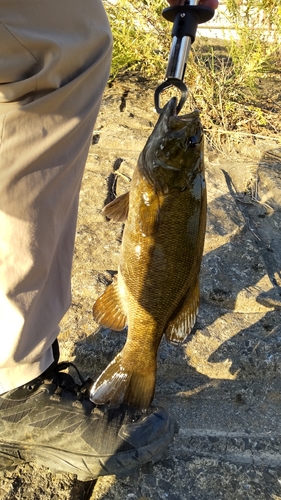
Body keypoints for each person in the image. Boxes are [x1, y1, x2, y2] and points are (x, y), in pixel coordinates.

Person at [0, 0, 218, 481]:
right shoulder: (164, 185)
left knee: (66, 40)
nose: (188, 136)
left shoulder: (163, 186)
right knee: (61, 51)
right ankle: (6, 378)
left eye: (189, 146)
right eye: (189, 145)